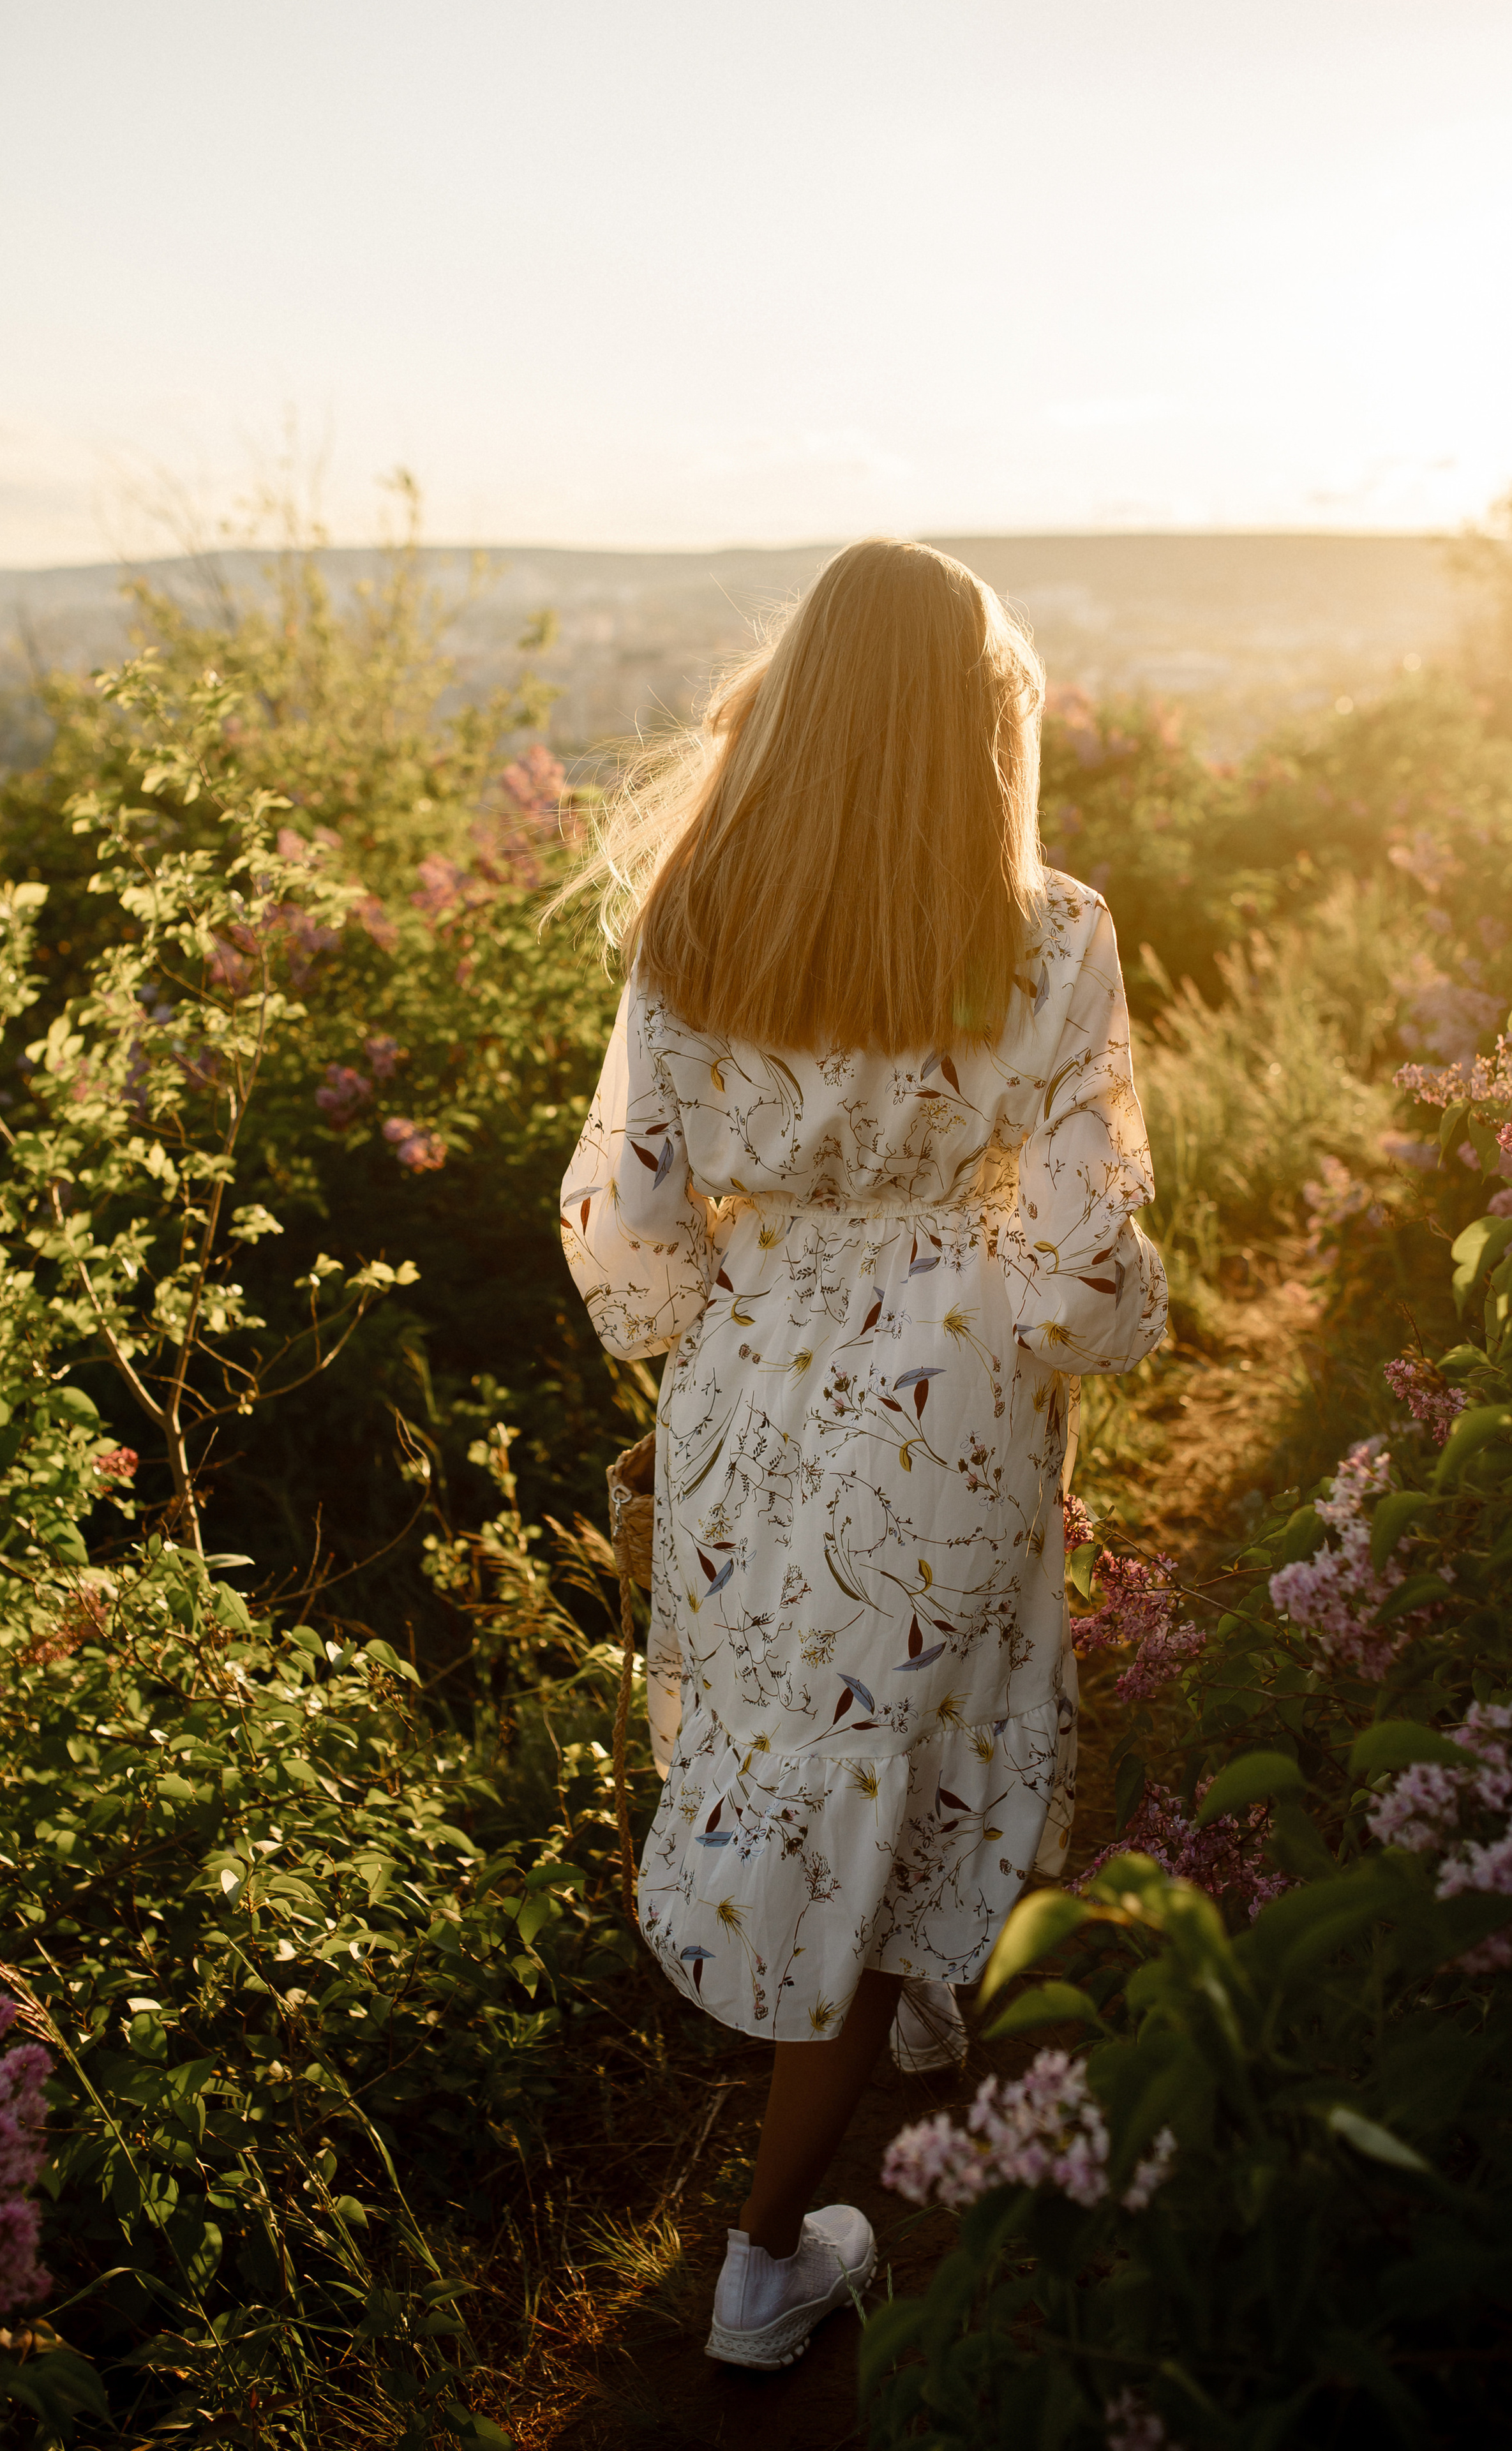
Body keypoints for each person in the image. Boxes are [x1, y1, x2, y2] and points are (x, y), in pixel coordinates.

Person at [557, 537, 1167, 2371]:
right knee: (897, 1759)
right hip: (952, 1410)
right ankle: (763, 2259)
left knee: (794, 1751)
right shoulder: (1047, 930)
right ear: (979, 722)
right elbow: (1076, 1273)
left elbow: (630, 1229)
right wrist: (1106, 1319)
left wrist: (759, 1312)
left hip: (750, 1391)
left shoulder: (697, 916)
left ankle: (832, 2101)